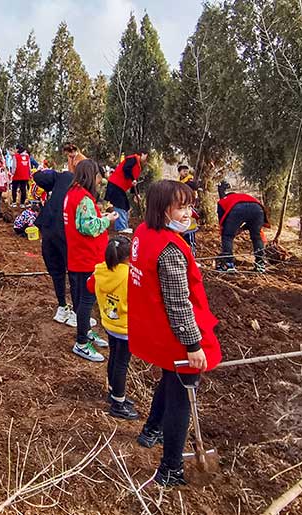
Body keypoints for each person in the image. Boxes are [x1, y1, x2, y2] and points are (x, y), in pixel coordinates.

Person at [130, 180, 222, 487]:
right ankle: (170, 468)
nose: (188, 212)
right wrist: (193, 345)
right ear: (162, 209)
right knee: (182, 397)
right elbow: (178, 304)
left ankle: (151, 429)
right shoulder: (169, 250)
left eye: (189, 205)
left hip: (154, 329)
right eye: (181, 207)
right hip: (174, 336)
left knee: (169, 379)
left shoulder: (144, 233)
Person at [63, 159, 118, 362]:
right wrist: (107, 220)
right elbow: (88, 227)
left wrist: (99, 215)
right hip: (87, 258)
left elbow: (81, 220)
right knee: (86, 302)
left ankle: (85, 332)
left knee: (80, 300)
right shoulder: (84, 198)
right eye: (98, 177)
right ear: (91, 176)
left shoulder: (72, 194)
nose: (99, 181)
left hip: (77, 256)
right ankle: (81, 343)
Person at [87, 235, 137, 420]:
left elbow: (90, 286)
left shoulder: (101, 270)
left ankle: (113, 391)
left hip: (108, 322)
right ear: (129, 256)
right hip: (125, 327)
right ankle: (118, 402)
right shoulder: (129, 275)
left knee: (114, 358)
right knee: (122, 364)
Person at [33, 166, 76, 326]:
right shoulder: (85, 186)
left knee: (57, 271)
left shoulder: (62, 177)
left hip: (48, 229)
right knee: (74, 272)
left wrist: (42, 171)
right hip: (65, 232)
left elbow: (39, 178)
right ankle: (76, 312)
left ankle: (62, 307)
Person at [216, 181, 268, 272]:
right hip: (258, 209)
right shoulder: (244, 197)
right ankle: (260, 264)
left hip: (237, 209)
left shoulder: (225, 200)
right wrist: (241, 228)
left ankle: (229, 264)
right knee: (256, 237)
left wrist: (227, 230)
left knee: (227, 236)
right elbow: (251, 220)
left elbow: (222, 220)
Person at [105, 150, 148, 233]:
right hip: (115, 184)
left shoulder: (137, 165)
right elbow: (126, 169)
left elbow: (134, 182)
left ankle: (124, 225)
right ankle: (121, 228)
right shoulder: (133, 159)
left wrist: (136, 194)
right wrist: (132, 179)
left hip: (119, 187)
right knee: (120, 205)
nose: (146, 158)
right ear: (142, 154)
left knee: (125, 206)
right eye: (146, 156)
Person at [178, 165, 199, 255]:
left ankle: (192, 255)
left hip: (190, 204)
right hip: (181, 204)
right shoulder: (178, 181)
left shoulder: (190, 180)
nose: (186, 172)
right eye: (184, 171)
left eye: (187, 171)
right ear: (179, 172)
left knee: (190, 236)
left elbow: (195, 186)